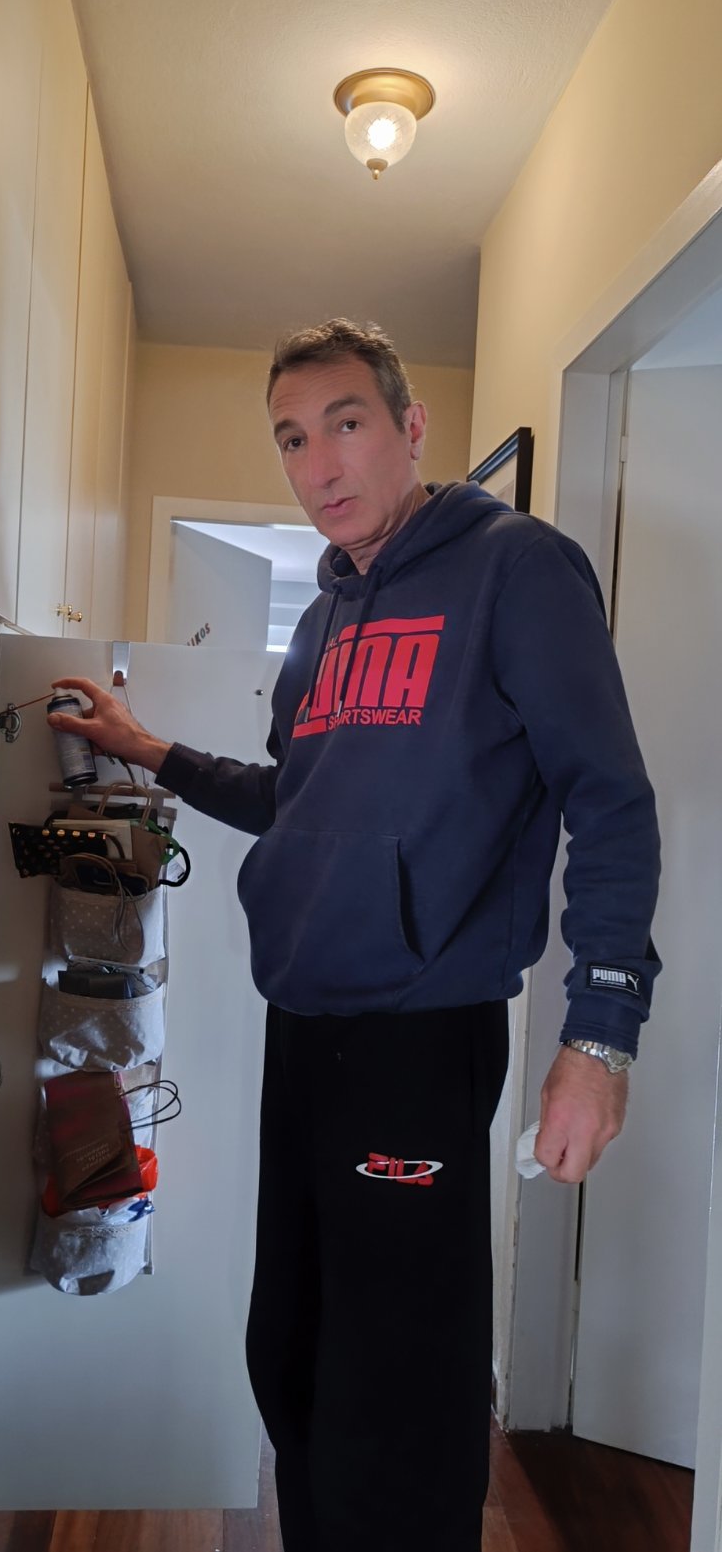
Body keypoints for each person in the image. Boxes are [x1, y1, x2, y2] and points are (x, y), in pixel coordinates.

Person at [49, 318, 661, 1552]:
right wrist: (148, 749)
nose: (318, 462)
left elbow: (609, 799)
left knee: (399, 1382)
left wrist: (598, 1036)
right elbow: (296, 796)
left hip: (421, 1033)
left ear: (408, 426)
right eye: (291, 437)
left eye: (345, 423)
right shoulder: (324, 620)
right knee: (293, 1347)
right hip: (305, 1023)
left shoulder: (515, 569)